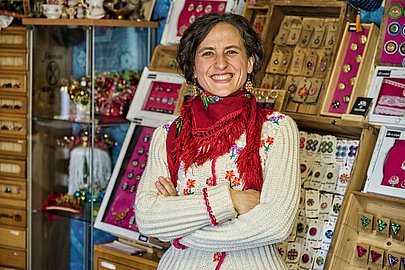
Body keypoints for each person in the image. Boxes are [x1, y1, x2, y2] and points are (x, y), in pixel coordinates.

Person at [135, 12, 300, 270]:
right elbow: (147, 218)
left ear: (250, 62)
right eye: (208, 53)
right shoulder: (168, 135)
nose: (220, 64)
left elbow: (276, 224)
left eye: (232, 52)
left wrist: (180, 229)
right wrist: (231, 200)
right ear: (192, 66)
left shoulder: (277, 130)